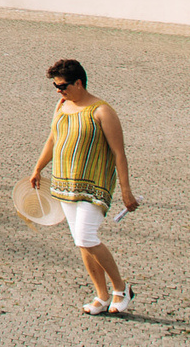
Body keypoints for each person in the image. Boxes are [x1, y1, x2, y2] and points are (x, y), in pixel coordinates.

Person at [29, 57, 140, 315]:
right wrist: (37, 168)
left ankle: (121, 289)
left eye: (63, 86)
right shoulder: (62, 105)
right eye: (56, 87)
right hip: (66, 185)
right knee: (81, 242)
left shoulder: (102, 112)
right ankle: (101, 295)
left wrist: (125, 191)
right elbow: (53, 140)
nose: (60, 91)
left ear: (79, 82)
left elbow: (119, 153)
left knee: (87, 237)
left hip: (94, 187)